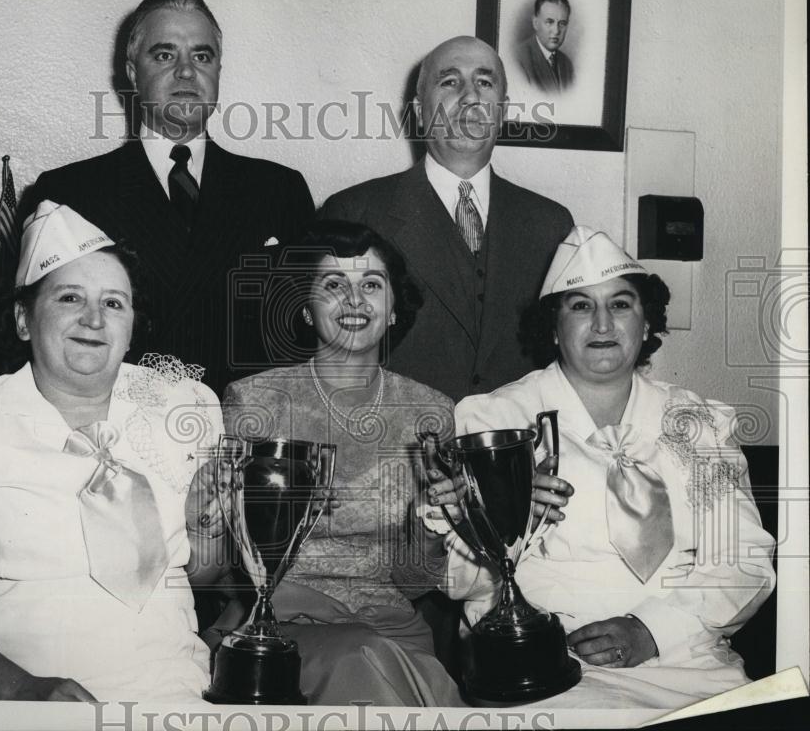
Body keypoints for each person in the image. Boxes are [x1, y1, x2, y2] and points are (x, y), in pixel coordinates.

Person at [0, 201, 230, 703]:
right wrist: (21, 689)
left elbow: (204, 574)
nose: (94, 319)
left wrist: (208, 522)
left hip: (166, 688)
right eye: (70, 298)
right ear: (24, 319)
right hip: (3, 695)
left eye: (114, 303)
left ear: (133, 324)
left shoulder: (185, 409)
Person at [433, 227, 776, 710]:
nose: (602, 325)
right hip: (546, 662)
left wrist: (653, 631)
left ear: (646, 323)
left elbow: (745, 561)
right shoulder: (493, 422)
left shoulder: (698, 424)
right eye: (580, 306)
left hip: (689, 657)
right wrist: (485, 517)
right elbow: (460, 582)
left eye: (620, 305)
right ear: (553, 327)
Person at [214, 219, 465, 706]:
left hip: (391, 626)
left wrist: (433, 525)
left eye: (371, 284)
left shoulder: (430, 412)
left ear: (393, 309)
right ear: (307, 310)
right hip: (277, 624)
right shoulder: (254, 401)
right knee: (359, 656)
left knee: (372, 654)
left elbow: (413, 582)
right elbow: (225, 561)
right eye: (334, 285)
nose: (354, 301)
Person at [23, 0, 315, 397]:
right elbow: (38, 341)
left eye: (202, 56)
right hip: (117, 434)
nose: (185, 71)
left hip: (243, 436)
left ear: (217, 70)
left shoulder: (279, 190)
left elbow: (305, 344)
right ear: (131, 71)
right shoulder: (72, 191)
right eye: (164, 55)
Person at [319, 35, 573, 403]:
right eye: (450, 81)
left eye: (485, 83)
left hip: (517, 450)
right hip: (394, 445)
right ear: (420, 111)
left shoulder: (551, 224)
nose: (470, 96)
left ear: (502, 110)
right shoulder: (355, 211)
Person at [515, 0, 574, 94]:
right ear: (536, 23)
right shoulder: (518, 59)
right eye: (549, 22)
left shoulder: (567, 64)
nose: (556, 31)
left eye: (562, 23)